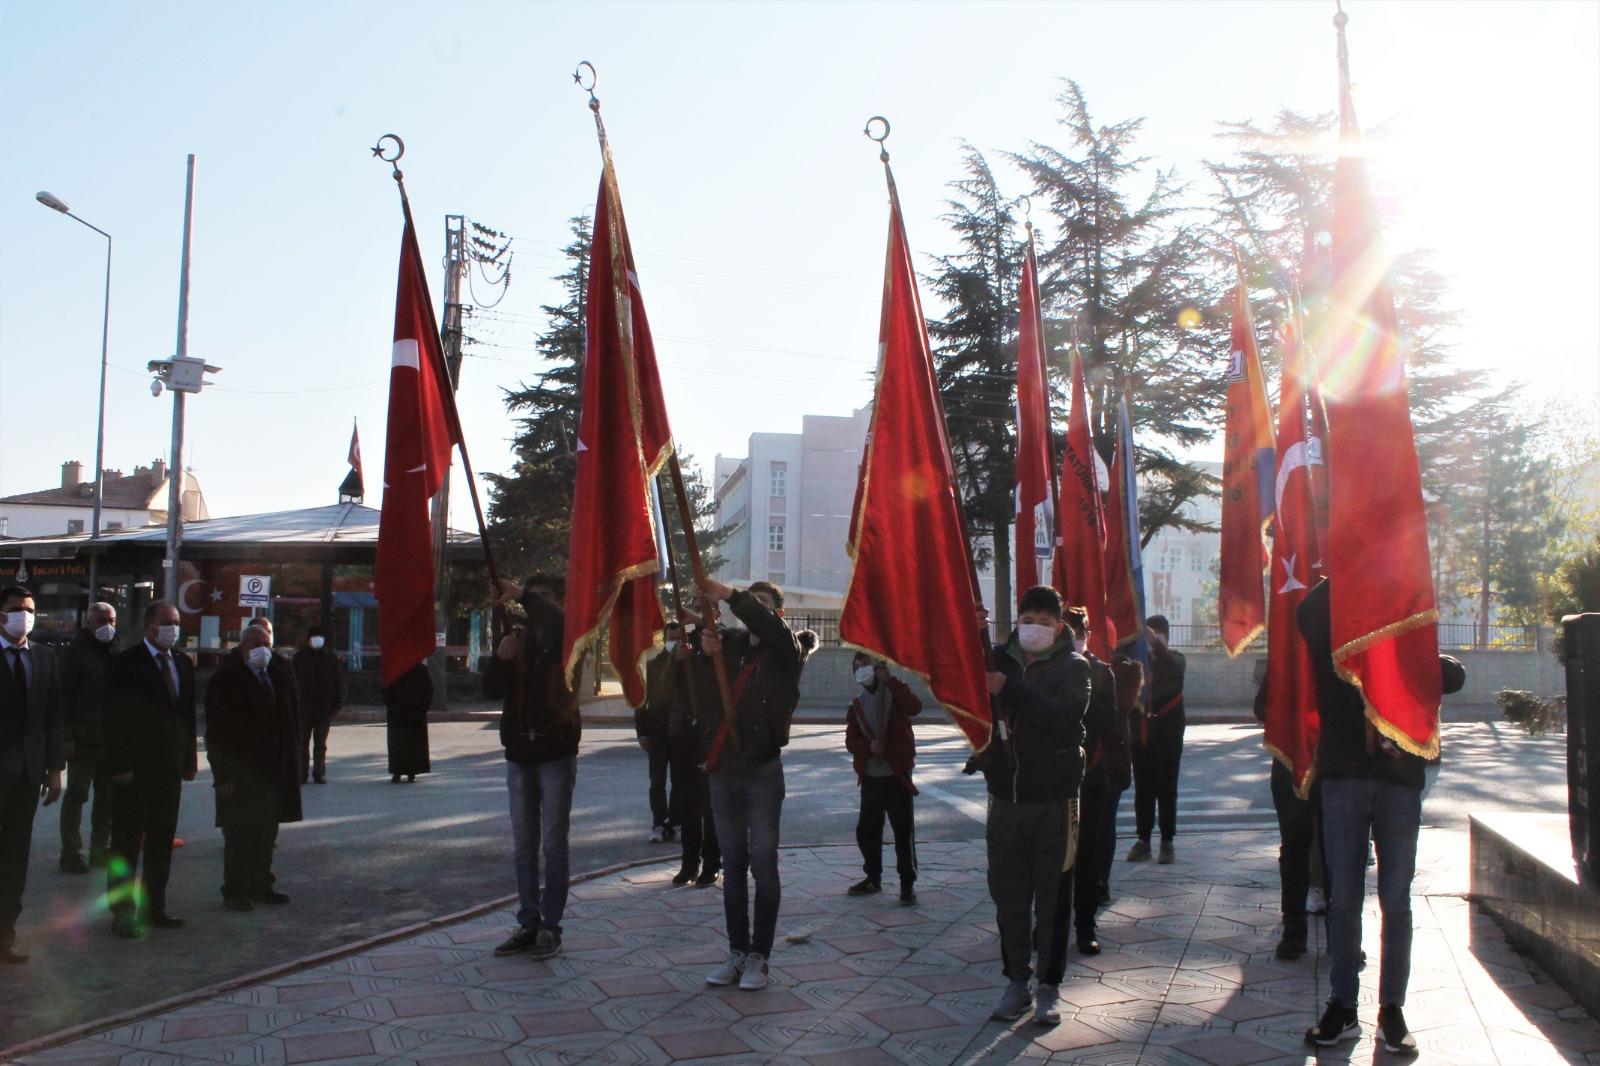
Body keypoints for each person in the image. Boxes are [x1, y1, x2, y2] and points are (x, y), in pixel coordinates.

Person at [1299, 577, 1465, 1056]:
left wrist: (1398, 594)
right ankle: (1342, 1005)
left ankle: (1391, 1010)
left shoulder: (1405, 631)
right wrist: (1355, 563)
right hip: (1345, 776)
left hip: (1398, 782)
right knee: (1345, 899)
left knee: (1396, 899)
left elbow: (1452, 675)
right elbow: (1307, 613)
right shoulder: (1332, 635)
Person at [979, 584, 1091, 1026]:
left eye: (1046, 622)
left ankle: (1048, 985)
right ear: (1017, 621)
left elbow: (1066, 716)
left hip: (1055, 798)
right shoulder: (997, 660)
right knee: (1008, 895)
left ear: (1059, 626)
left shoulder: (1074, 667)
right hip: (1006, 797)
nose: (1036, 629)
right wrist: (974, 632)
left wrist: (1012, 689)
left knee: (1053, 896)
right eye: (1029, 620)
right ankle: (1015, 980)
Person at [692, 578, 802, 993]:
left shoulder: (786, 651)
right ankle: (737, 951)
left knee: (763, 864)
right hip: (725, 769)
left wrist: (732, 595)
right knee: (732, 864)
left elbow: (767, 626)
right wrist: (707, 657)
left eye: (764, 603)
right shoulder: (732, 648)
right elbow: (706, 702)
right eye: (752, 601)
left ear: (778, 612)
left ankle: (760, 955)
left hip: (762, 770)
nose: (755, 608)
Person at [483, 574, 580, 963]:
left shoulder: (570, 636)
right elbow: (491, 689)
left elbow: (555, 620)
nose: (534, 607)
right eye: (532, 598)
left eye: (542, 599)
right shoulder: (516, 638)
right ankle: (528, 921)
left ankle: (550, 926)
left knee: (554, 845)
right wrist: (500, 659)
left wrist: (522, 595)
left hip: (555, 751)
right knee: (524, 846)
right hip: (520, 752)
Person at [104, 599, 197, 938]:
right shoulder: (125, 664)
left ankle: (155, 906)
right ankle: (122, 912)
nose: (173, 628)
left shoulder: (183, 664)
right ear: (149, 626)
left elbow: (186, 718)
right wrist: (120, 765)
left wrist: (189, 762)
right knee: (126, 844)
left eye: (176, 622)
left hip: (168, 770)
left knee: (160, 843)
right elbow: (112, 719)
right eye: (167, 622)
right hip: (133, 771)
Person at [206, 624, 302, 910]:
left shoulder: (279, 674)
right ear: (243, 646)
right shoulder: (226, 678)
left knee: (266, 832)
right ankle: (235, 889)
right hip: (240, 771)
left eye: (267, 643)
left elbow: (292, 721)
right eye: (255, 643)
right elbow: (217, 733)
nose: (262, 649)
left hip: (274, 770)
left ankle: (261, 884)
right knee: (239, 833)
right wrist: (222, 776)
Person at [0, 585, 65, 963]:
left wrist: (54, 769)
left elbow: (53, 716)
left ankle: (5, 935)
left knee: (14, 857)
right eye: (14, 608)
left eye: (28, 609)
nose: (22, 615)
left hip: (27, 774)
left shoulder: (44, 657)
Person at [1251, 671, 1324, 962]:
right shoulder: (1288, 659)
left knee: (1339, 850)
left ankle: (1343, 935)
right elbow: (1261, 707)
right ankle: (1294, 928)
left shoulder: (1343, 645)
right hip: (1291, 762)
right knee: (1294, 847)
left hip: (1336, 763)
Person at [1063, 607, 1122, 956]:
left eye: (1078, 634)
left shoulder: (1101, 673)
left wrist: (1083, 691)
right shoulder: (1045, 669)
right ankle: (1048, 920)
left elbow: (1110, 722)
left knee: (1086, 857)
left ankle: (1086, 926)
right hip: (1055, 777)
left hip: (1091, 775)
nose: (1074, 640)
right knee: (1054, 857)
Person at [843, 652, 922, 905]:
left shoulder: (894, 694)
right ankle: (872, 877)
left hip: (896, 776)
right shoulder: (857, 703)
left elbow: (915, 706)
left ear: (877, 667)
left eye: (864, 665)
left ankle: (906, 883)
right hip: (871, 778)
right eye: (856, 668)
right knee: (868, 830)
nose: (861, 671)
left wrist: (891, 681)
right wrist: (868, 748)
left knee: (902, 832)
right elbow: (851, 740)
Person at [58, 601, 117, 873]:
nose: (107, 626)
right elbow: (62, 698)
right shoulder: (75, 654)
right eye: (101, 620)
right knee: (78, 794)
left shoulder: (113, 651)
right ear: (88, 623)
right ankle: (70, 852)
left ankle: (99, 848)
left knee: (106, 797)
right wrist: (67, 737)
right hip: (83, 739)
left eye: (111, 620)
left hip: (109, 738)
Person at [1128, 614, 1185, 865]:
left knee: (1167, 787)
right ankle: (1143, 840)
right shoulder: (1140, 663)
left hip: (1168, 735)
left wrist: (1155, 643)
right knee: (1143, 789)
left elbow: (1172, 667)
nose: (1152, 639)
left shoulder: (1176, 659)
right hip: (1142, 733)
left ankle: (1167, 840)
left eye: (1157, 634)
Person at [668, 624, 720, 888]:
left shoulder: (720, 642)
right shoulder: (679, 649)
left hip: (711, 736)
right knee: (688, 806)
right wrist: (675, 661)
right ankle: (689, 863)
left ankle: (711, 864)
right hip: (683, 736)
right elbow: (660, 688)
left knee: (710, 806)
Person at [1097, 653, 1143, 906]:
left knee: (1104, 824)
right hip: (1076, 761)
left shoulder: (1123, 669)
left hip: (1111, 760)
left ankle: (1101, 881)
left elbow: (1120, 707)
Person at [636, 623, 679, 844]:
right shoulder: (652, 666)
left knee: (680, 784)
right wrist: (642, 733)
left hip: (682, 735)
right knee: (657, 783)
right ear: (664, 639)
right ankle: (659, 823)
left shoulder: (689, 664)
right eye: (672, 637)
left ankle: (675, 823)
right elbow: (641, 701)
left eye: (679, 637)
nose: (675, 642)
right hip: (657, 734)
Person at [292, 625, 345, 785]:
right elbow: (293, 681)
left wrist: (337, 704)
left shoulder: (330, 657)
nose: (317, 640)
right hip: (304, 706)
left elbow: (338, 682)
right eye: (314, 637)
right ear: (308, 639)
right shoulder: (299, 657)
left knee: (320, 744)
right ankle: (301, 773)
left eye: (319, 637)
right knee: (302, 742)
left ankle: (319, 773)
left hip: (324, 707)